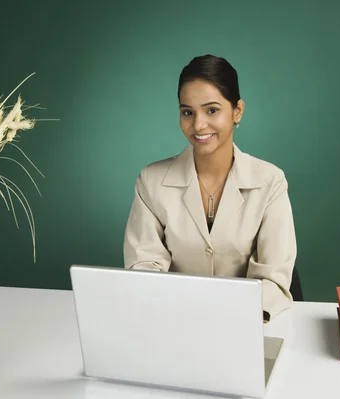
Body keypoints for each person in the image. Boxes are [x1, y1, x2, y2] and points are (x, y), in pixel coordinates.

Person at [123, 54, 298, 322]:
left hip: (246, 325)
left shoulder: (270, 181)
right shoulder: (151, 180)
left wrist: (224, 318)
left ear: (237, 110)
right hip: (174, 322)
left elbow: (272, 279)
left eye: (212, 110)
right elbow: (143, 267)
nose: (198, 125)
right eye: (188, 112)